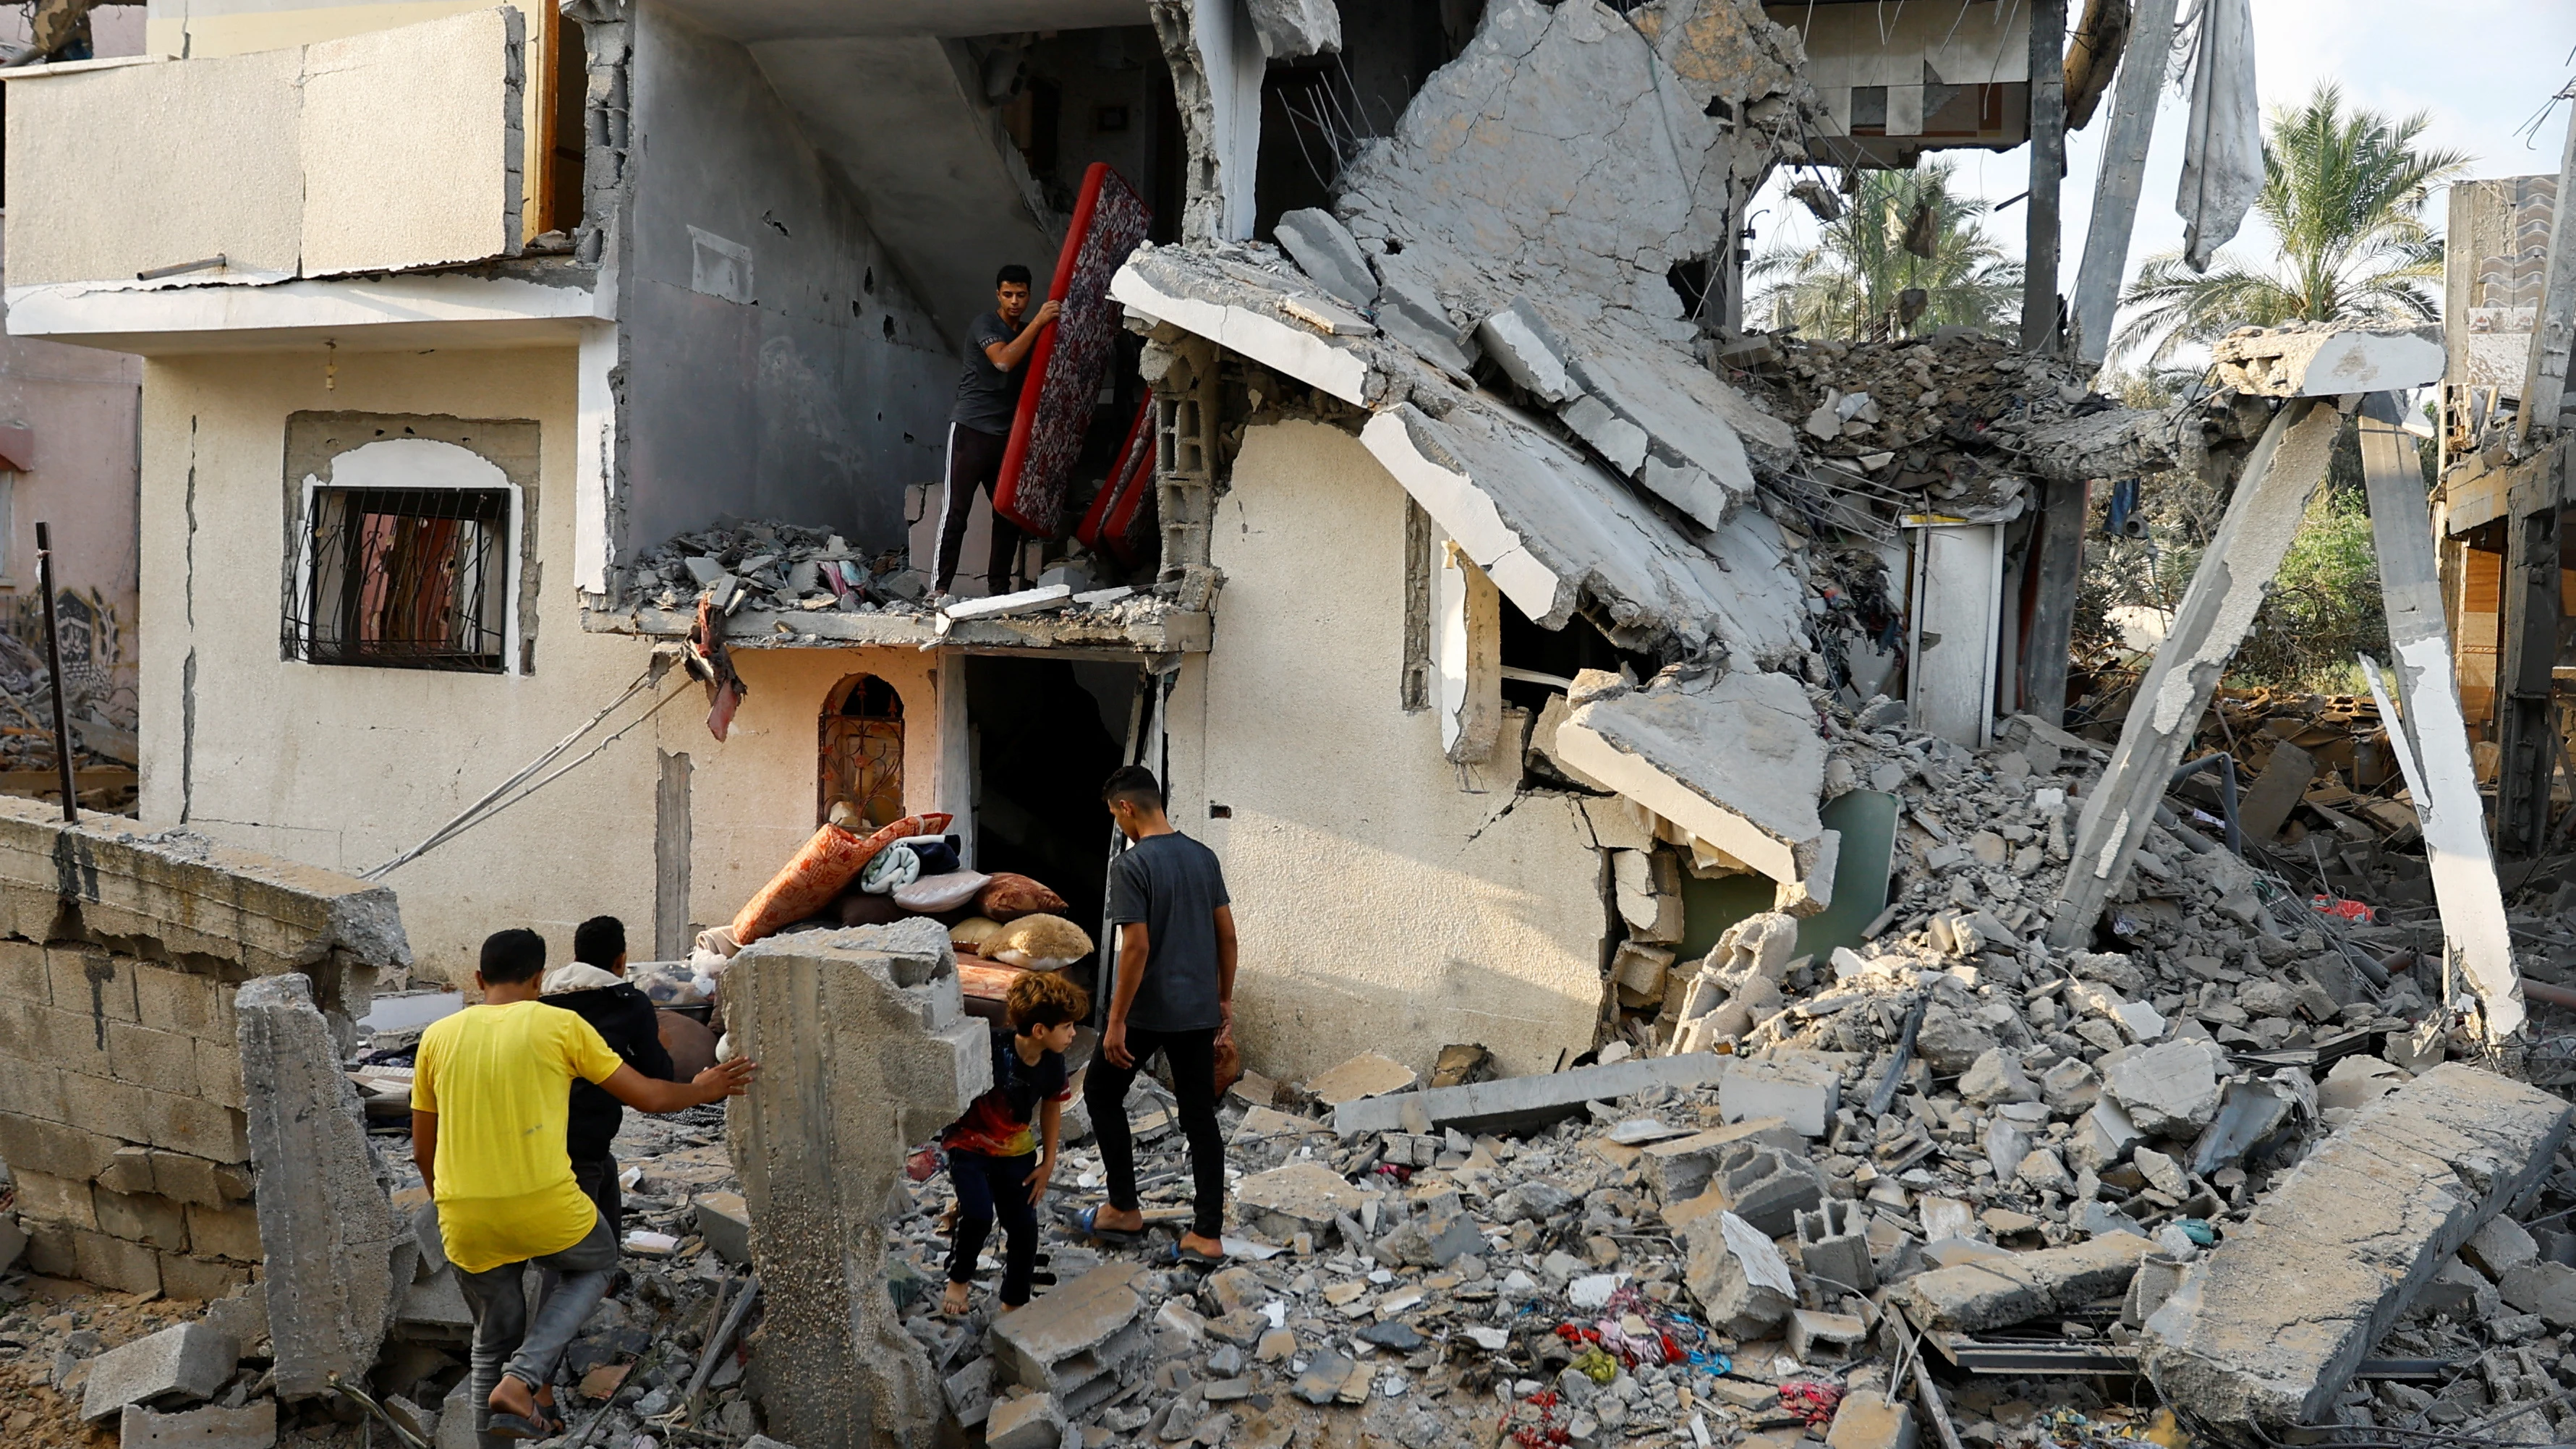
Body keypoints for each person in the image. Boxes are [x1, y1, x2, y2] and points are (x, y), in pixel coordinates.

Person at [413, 929, 757, 1442]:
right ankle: (525, 1376)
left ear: (479, 978)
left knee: (489, 1343)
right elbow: (646, 1096)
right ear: (537, 979)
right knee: (595, 1263)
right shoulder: (560, 1025)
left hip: (465, 1213)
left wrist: (450, 1203)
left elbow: (423, 1149)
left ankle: (506, 1399)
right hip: (545, 1204)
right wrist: (701, 1088)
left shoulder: (437, 1036)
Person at [1078, 765, 1236, 1267]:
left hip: (1147, 1010)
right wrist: (1224, 1000)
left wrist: (1117, 1019)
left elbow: (1137, 945)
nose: (1118, 824)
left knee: (1101, 1093)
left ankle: (1123, 1207)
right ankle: (1206, 1233)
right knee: (1199, 1117)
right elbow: (1227, 935)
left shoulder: (1131, 864)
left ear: (1126, 807)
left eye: (1113, 814)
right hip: (1197, 1010)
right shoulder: (1203, 857)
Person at [936, 970, 1089, 1315]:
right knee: (976, 1215)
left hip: (1016, 1151)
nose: (1073, 1033)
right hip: (968, 1144)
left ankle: (1014, 1302)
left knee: (1023, 1226)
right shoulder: (989, 1047)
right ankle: (959, 1279)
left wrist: (1048, 1163)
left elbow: (1052, 1107)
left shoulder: (1053, 1063)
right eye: (1067, 1027)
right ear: (1040, 1030)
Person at [537, 914, 677, 1233]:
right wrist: (660, 1044)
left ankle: (606, 1268)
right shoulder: (628, 1003)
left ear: (575, 958)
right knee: (575, 1248)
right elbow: (658, 1079)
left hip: (536, 1133)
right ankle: (596, 1272)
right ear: (621, 960)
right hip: (585, 1135)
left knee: (605, 1175)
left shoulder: (540, 1000)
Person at [932, 263, 1060, 599]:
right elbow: (1003, 360)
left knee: (1007, 514)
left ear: (1029, 295)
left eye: (1021, 295)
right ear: (998, 295)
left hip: (1007, 438)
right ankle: (940, 588)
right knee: (956, 511)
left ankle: (999, 591)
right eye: (1008, 295)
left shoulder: (1032, 332)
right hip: (971, 430)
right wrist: (1038, 323)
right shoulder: (985, 324)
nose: (1015, 301)